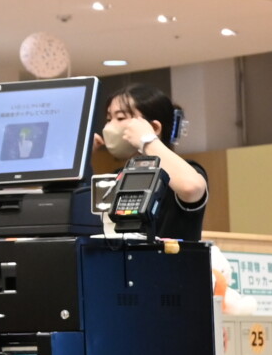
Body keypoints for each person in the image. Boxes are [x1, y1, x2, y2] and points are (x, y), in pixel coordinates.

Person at [90, 80, 210, 239]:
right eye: (108, 119)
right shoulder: (118, 176)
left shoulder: (186, 171)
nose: (109, 127)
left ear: (154, 128)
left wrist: (147, 141)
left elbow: (191, 188)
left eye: (120, 117)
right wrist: (84, 161)